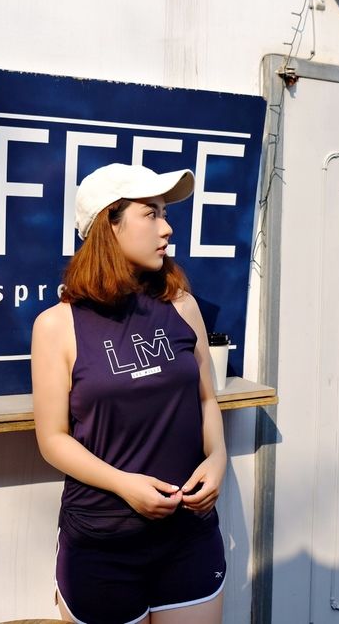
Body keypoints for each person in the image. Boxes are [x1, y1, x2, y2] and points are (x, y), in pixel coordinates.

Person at [31, 163, 228, 624]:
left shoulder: (183, 306)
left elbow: (206, 400)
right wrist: (124, 484)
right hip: (102, 543)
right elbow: (52, 439)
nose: (167, 227)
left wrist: (218, 459)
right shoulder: (56, 325)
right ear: (110, 225)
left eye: (165, 214)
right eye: (151, 213)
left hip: (189, 536)